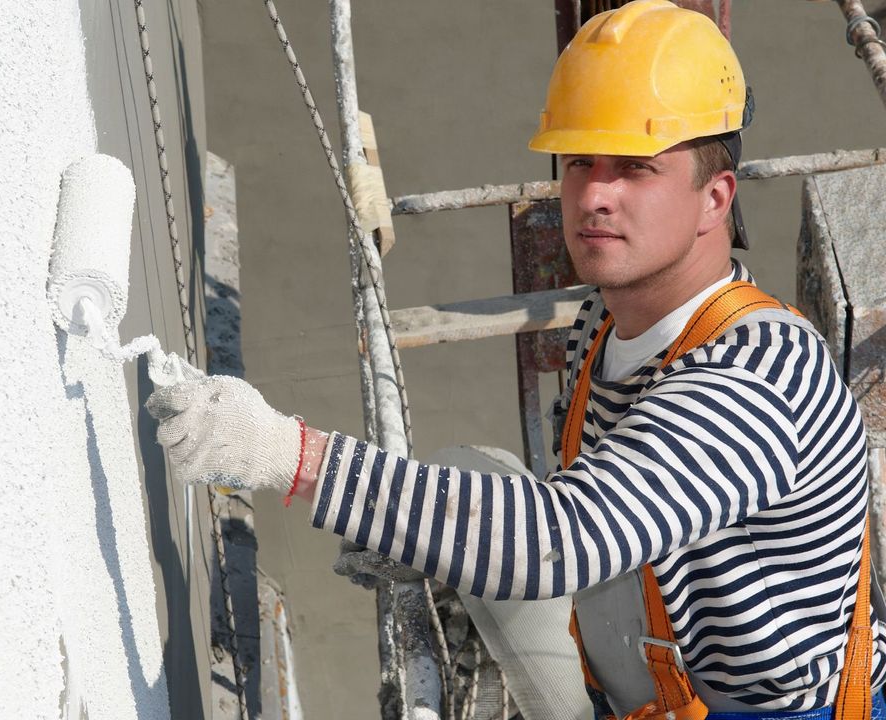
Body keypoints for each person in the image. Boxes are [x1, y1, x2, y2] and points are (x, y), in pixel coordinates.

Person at [146, 1, 886, 716]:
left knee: (515, 528)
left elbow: (561, 541)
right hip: (652, 694)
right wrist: (415, 532)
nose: (593, 194)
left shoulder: (758, 380)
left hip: (772, 714)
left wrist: (292, 454)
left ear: (714, 198)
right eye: (579, 161)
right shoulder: (602, 318)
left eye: (633, 167)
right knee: (477, 474)